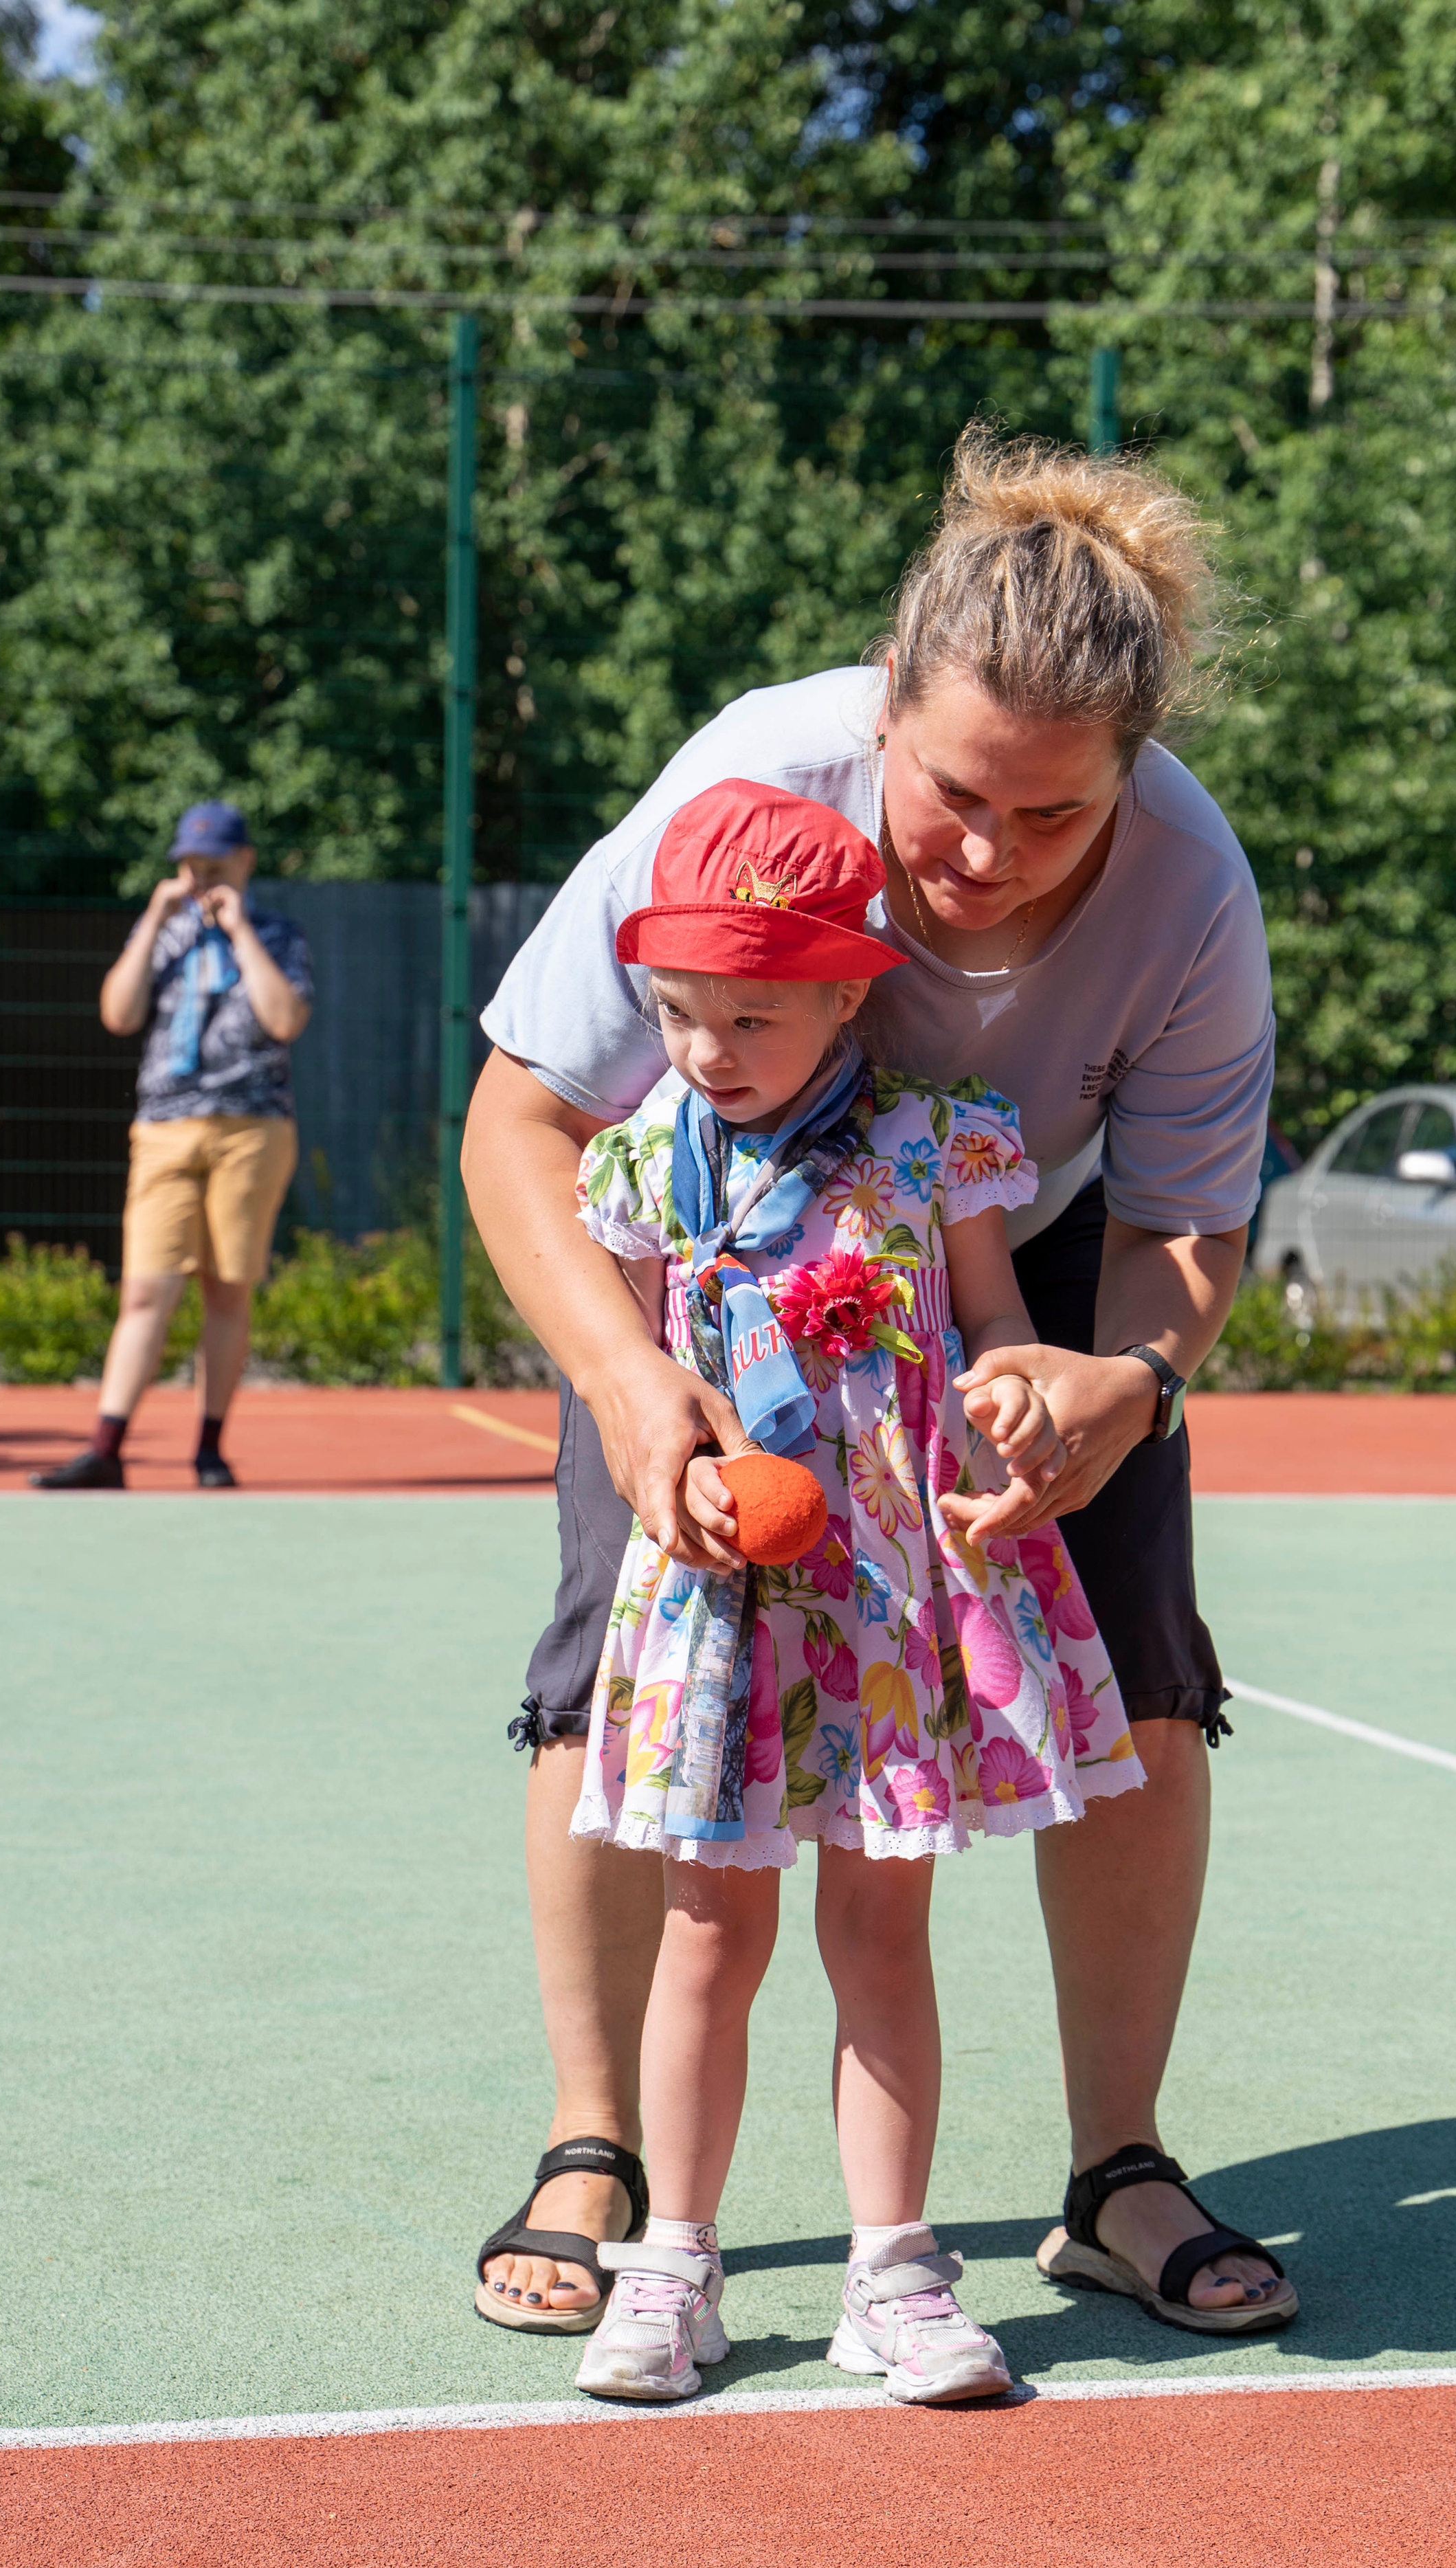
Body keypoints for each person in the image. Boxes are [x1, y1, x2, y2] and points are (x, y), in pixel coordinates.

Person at [464, 425, 1299, 2343]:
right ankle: (602, 2146)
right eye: (949, 800)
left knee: (1144, 1653)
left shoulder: (1189, 888)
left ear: (1131, 781)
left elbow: (1186, 1222)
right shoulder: (754, 782)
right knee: (619, 1654)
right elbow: (521, 1117)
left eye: (1053, 817)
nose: (988, 860)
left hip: (1015, 1258)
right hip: (717, 1254)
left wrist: (1123, 1382)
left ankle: (1115, 2170)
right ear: (884, 713)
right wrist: (618, 1376)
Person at [551, 780, 1157, 2403]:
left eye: (749, 1011)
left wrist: (1020, 1397)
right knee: (704, 1931)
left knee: (882, 1927)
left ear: (847, 986)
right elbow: (629, 1383)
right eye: (678, 1010)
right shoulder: (635, 1167)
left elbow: (990, 1329)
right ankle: (673, 2259)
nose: (707, 1046)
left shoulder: (926, 1137)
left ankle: (889, 2269)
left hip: (888, 1598)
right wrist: (663, 1474)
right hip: (717, 1608)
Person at [30, 802, 312, 1493]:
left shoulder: (276, 934)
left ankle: (210, 1449)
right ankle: (107, 1447)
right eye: (190, 862)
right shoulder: (162, 932)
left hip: (251, 1129)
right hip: (163, 1129)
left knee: (227, 1290)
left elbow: (284, 1019)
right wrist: (156, 919)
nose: (200, 873)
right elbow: (118, 1013)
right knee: (145, 1290)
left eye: (215, 861)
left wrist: (240, 930)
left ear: (244, 861)